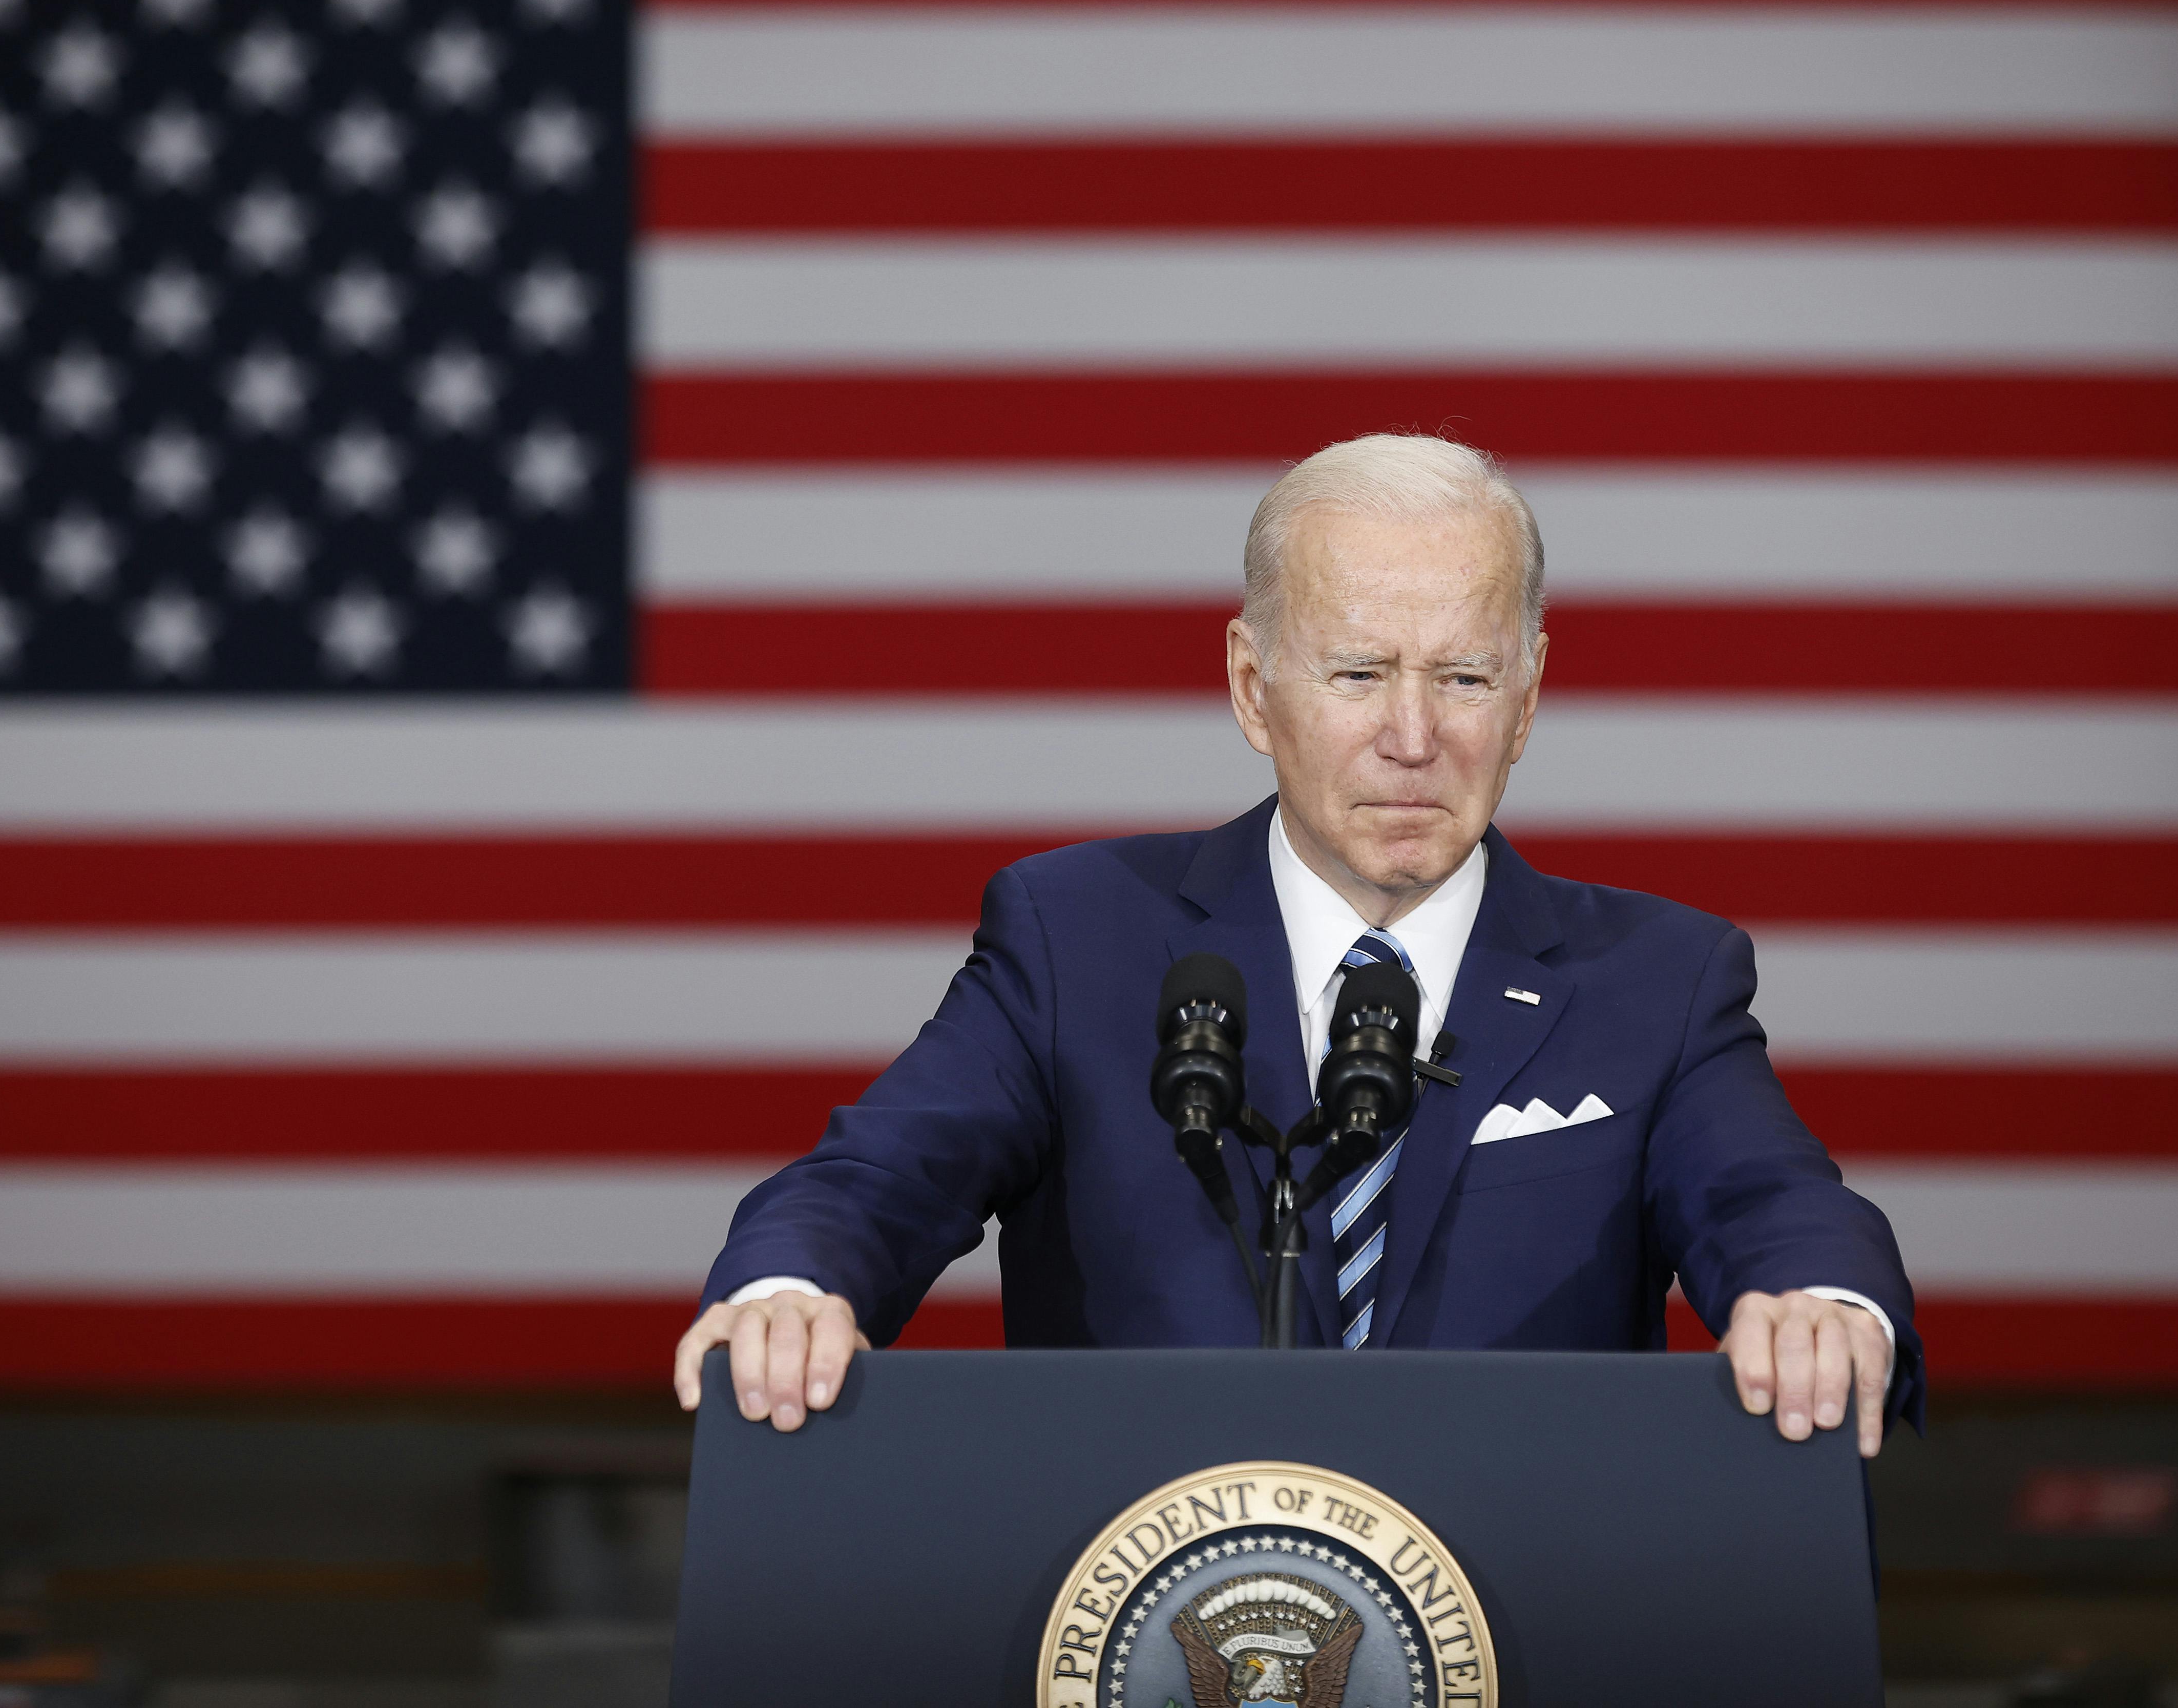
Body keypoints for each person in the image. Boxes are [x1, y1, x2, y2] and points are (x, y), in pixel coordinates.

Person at [675, 434, 1918, 1457]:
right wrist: (789, 1288)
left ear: (1531, 695)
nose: (1412, 734)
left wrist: (1820, 1301)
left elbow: (1772, 1199)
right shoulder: (1077, 937)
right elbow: (880, 1173)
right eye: (1359, 671)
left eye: (1466, 678)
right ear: (1249, 683)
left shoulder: (1652, 979)